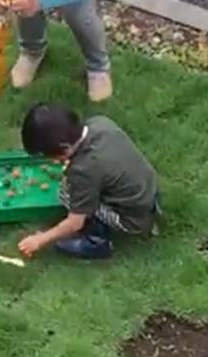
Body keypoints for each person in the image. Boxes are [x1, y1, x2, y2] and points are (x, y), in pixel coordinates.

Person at [17, 102, 159, 261]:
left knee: (66, 193)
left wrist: (40, 239)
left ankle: (97, 242)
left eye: (46, 155)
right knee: (81, 186)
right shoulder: (99, 123)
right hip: (147, 191)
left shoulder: (83, 171)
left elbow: (75, 222)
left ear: (64, 148)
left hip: (132, 217)